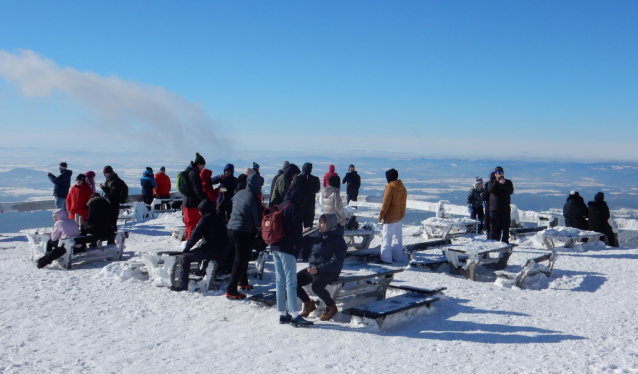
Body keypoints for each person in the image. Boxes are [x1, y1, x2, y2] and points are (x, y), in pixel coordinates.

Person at [270, 186, 313, 327]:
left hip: (275, 246)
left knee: (280, 281)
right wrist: (300, 246)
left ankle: (283, 313)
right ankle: (295, 314)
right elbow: (296, 231)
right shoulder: (294, 207)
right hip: (287, 248)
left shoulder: (281, 205)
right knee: (291, 281)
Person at [171, 199, 230, 291]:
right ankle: (201, 271)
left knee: (185, 258)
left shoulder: (206, 219)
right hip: (224, 250)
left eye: (200, 210)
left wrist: (186, 248)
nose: (199, 212)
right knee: (200, 249)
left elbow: (195, 234)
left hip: (212, 251)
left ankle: (182, 285)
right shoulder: (218, 218)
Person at [297, 213, 347, 321]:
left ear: (329, 224)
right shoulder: (317, 234)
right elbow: (303, 248)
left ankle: (331, 306)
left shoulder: (338, 240)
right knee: (293, 281)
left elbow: (336, 262)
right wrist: (305, 236)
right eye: (319, 222)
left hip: (329, 270)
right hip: (313, 268)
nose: (319, 225)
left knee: (316, 287)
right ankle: (308, 303)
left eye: (322, 223)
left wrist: (318, 269)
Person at [225, 174, 265, 299]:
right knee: (240, 259)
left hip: (231, 228)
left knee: (243, 255)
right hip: (242, 231)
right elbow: (257, 219)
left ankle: (243, 282)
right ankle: (231, 289)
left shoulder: (239, 194)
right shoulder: (253, 198)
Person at [378, 168, 407, 264]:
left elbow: (385, 204)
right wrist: (401, 214)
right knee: (397, 239)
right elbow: (403, 204)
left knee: (387, 238)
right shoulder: (402, 188)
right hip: (399, 217)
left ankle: (386, 259)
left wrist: (381, 216)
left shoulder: (390, 188)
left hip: (390, 218)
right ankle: (398, 257)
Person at [182, 153, 209, 240]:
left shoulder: (189, 171)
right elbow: (198, 190)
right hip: (192, 204)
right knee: (192, 226)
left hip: (186, 202)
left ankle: (187, 242)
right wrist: (205, 199)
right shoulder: (194, 174)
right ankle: (190, 246)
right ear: (199, 164)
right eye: (202, 165)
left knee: (188, 225)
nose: (203, 167)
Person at [485, 166, 514, 243]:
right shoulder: (490, 183)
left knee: (505, 227)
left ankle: (505, 242)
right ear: (494, 174)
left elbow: (510, 191)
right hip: (494, 209)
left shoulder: (508, 182)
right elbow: (491, 190)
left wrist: (504, 184)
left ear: (503, 173)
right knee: (493, 228)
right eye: (496, 173)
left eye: (500, 172)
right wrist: (496, 182)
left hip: (505, 209)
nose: (498, 174)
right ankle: (493, 243)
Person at [100, 165, 126, 233]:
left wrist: (103, 188)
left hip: (113, 204)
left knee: (112, 222)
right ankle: (111, 237)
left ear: (109, 173)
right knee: (110, 222)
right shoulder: (110, 180)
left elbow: (112, 195)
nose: (104, 175)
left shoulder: (115, 181)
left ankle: (112, 238)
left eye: (105, 173)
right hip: (110, 203)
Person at [300, 163, 321, 229]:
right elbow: (317, 189)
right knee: (309, 228)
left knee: (298, 228)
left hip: (300, 205)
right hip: (310, 205)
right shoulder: (315, 179)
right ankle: (308, 238)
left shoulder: (298, 179)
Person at [483, 172, 495, 238]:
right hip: (498, 208)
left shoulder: (488, 184)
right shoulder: (502, 185)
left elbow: (485, 197)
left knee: (489, 226)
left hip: (489, 206)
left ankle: (489, 239)